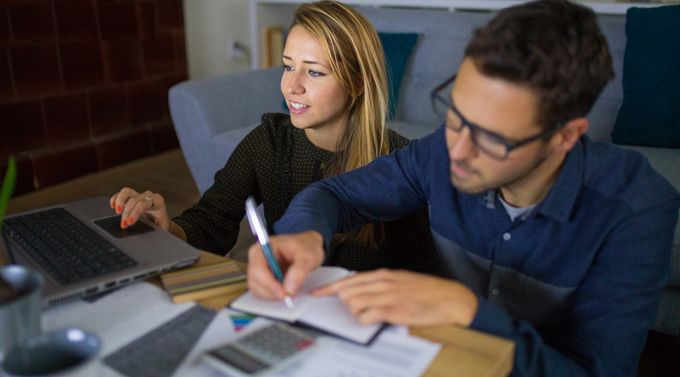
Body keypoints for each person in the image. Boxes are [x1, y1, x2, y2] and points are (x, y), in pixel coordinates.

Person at [247, 1, 680, 376]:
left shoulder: (638, 209)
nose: (457, 149)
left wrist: (468, 312)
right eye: (455, 114)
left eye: (491, 136)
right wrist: (303, 234)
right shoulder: (441, 150)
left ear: (565, 137)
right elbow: (336, 195)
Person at [109, 1, 434, 272]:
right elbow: (210, 222)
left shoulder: (398, 162)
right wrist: (168, 228)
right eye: (287, 66)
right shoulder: (268, 142)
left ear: (359, 83)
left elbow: (420, 273)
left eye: (315, 71)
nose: (292, 86)